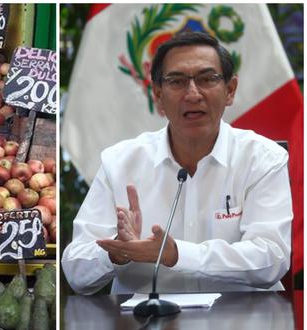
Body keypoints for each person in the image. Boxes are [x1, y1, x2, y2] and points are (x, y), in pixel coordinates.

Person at [61, 32, 292, 294]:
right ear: (158, 95)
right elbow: (75, 269)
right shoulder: (121, 162)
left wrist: (177, 254)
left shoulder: (261, 158)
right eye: (177, 81)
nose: (193, 94)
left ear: (230, 90)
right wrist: (118, 251)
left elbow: (272, 258)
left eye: (207, 79)